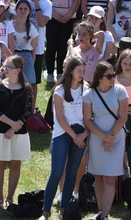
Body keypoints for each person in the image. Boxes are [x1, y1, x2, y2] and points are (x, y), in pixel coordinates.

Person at [39, 57, 88, 220]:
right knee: (57, 172)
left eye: (84, 71)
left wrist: (84, 135)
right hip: (63, 133)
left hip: (81, 133)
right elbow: (59, 117)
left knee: (72, 172)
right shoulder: (60, 90)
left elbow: (90, 116)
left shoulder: (86, 89)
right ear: (71, 71)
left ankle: (63, 208)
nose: (82, 74)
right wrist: (75, 137)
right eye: (79, 70)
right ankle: (45, 211)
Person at [0, 55, 32, 210]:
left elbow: (27, 111)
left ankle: (10, 198)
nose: (4, 69)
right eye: (3, 66)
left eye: (7, 67)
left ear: (18, 70)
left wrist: (13, 128)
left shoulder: (27, 88)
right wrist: (11, 125)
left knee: (15, 164)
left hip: (18, 132)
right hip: (0, 131)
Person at [83, 61, 128, 220]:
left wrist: (111, 136)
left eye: (113, 75)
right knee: (99, 176)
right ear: (100, 77)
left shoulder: (120, 91)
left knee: (110, 178)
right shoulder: (89, 94)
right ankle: (101, 211)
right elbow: (87, 120)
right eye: (109, 76)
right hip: (97, 138)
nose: (113, 78)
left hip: (116, 138)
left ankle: (106, 215)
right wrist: (104, 136)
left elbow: (123, 116)